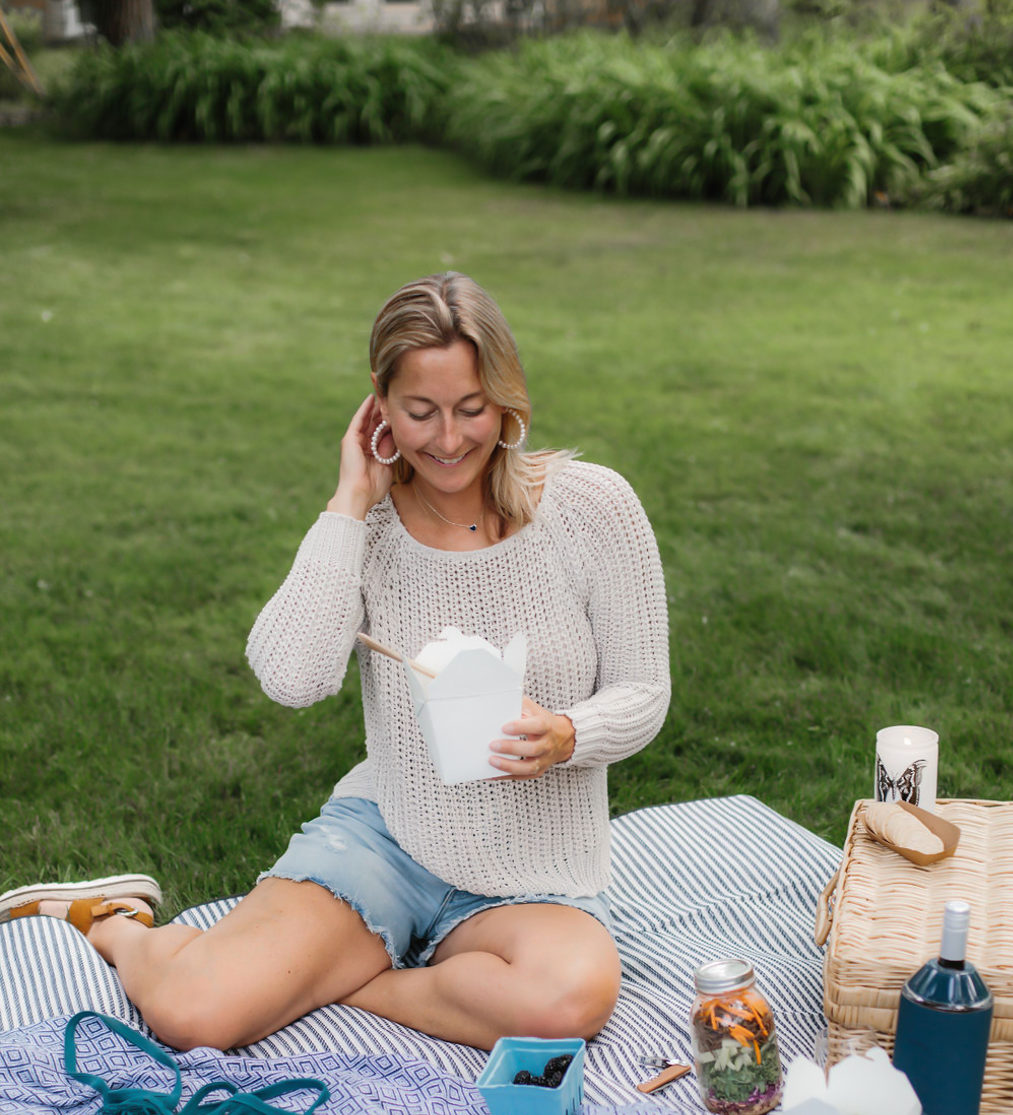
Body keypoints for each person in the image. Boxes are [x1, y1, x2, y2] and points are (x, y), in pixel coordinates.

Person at [1, 274, 670, 1054]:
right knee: (195, 1016)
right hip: (391, 838)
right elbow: (290, 677)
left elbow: (644, 691)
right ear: (378, 408)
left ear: (508, 401)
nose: (448, 440)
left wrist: (567, 733)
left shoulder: (594, 507)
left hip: (535, 871)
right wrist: (350, 500)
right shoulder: (371, 530)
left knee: (568, 999)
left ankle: (351, 981)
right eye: (420, 412)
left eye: (471, 409)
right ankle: (120, 926)